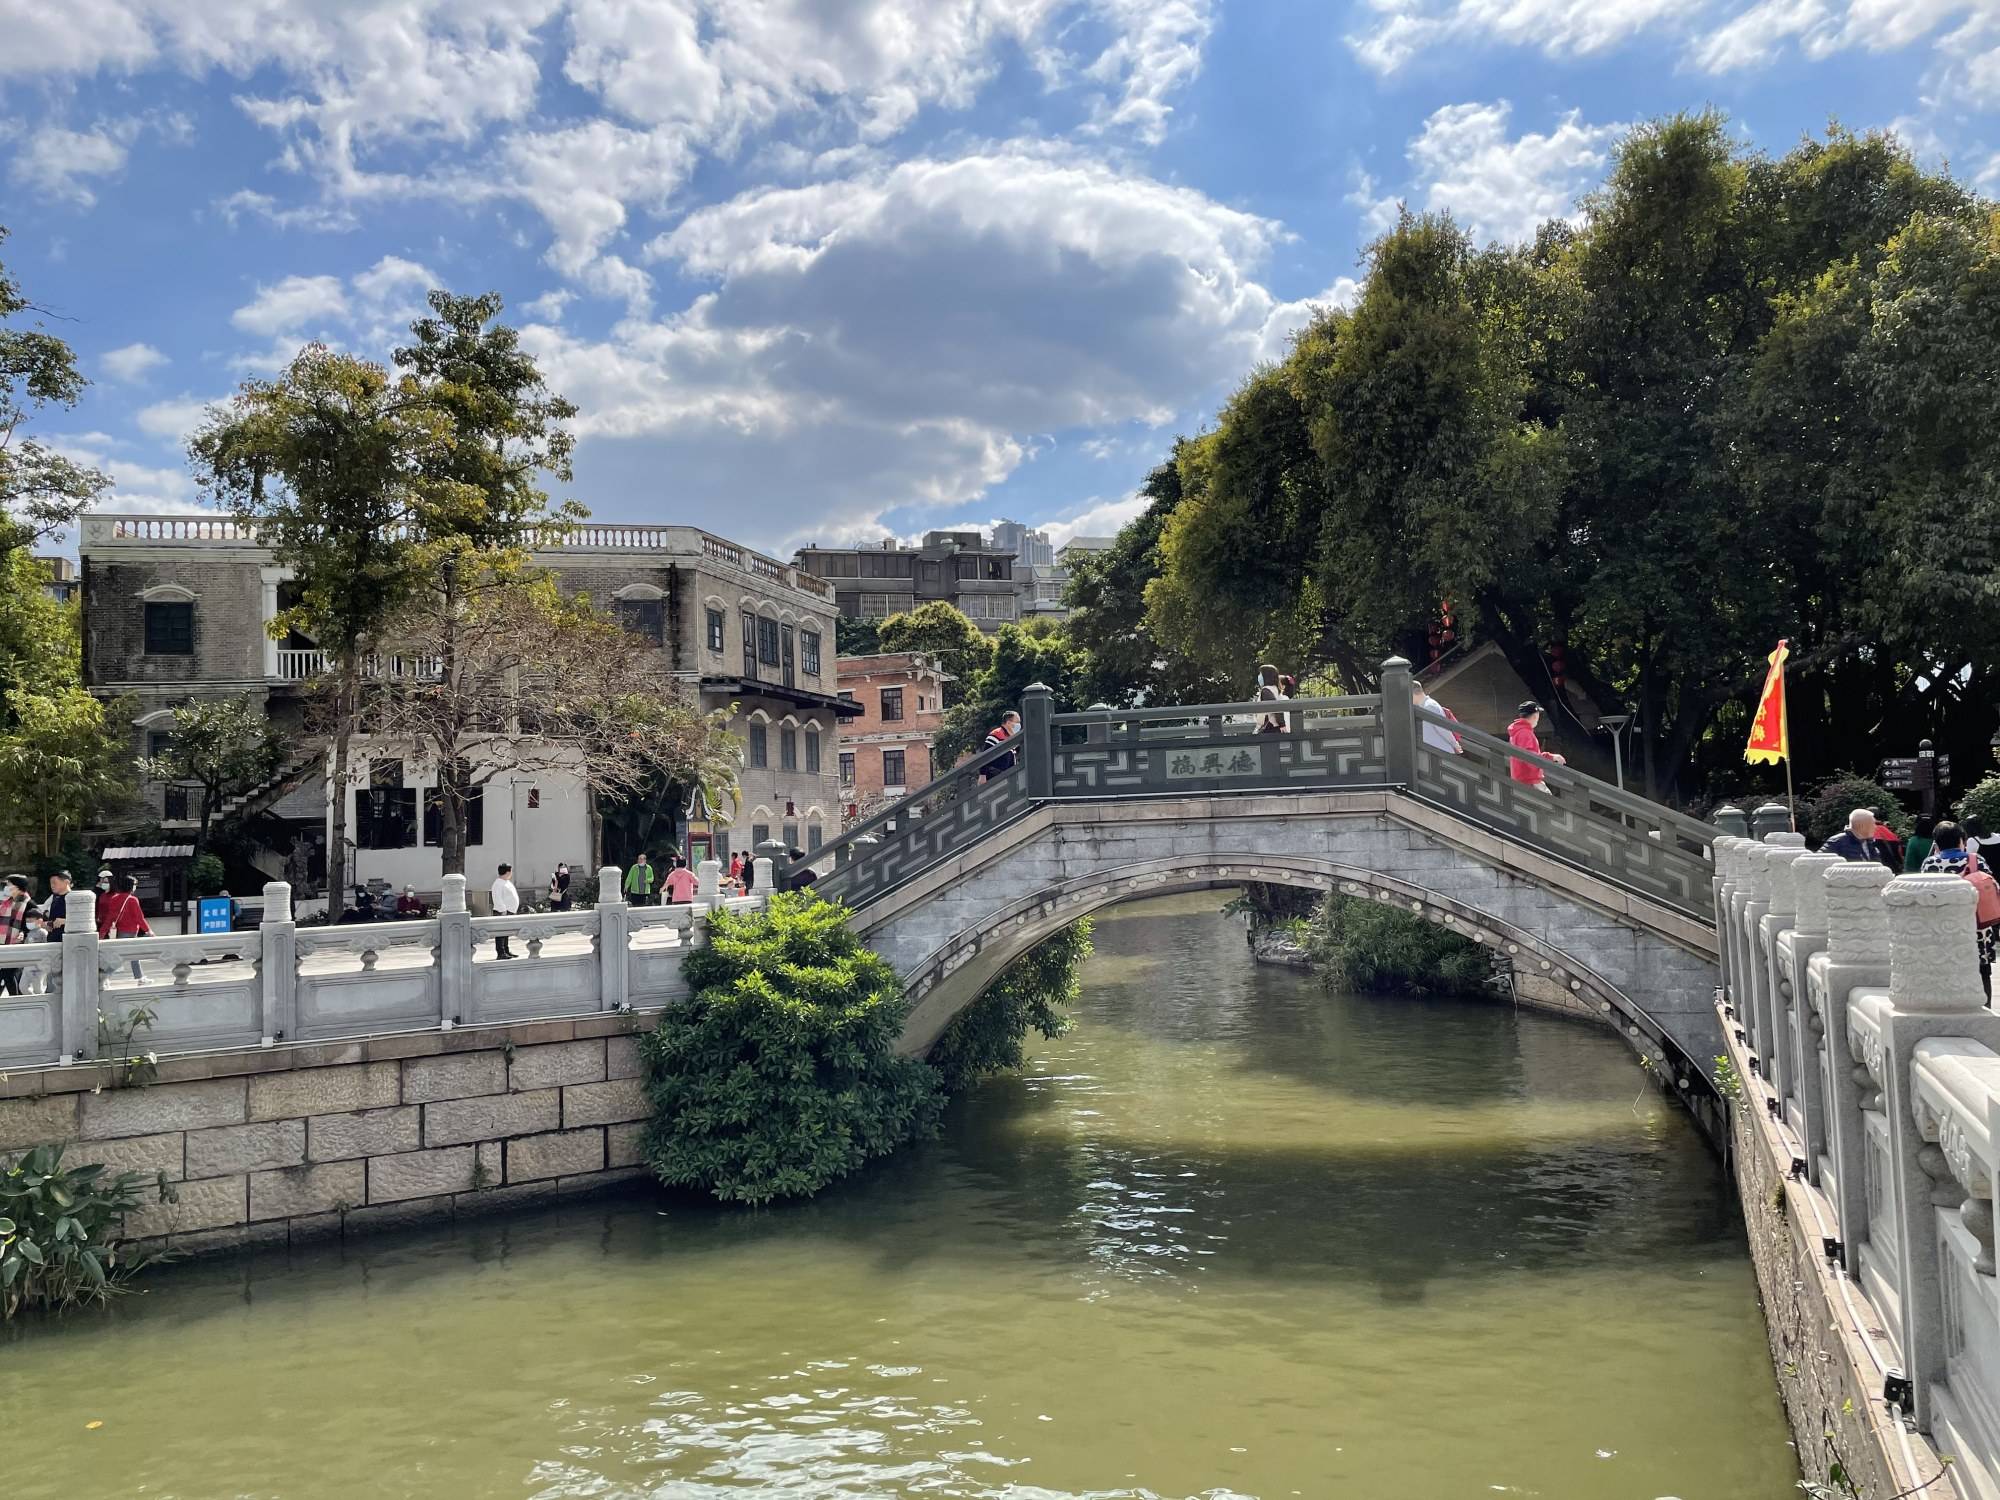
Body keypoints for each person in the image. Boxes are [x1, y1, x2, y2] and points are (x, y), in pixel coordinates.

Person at [1922, 822, 2000, 996]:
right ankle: (1984, 1006)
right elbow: (1992, 886)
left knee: (1947, 969)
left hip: (1942, 926)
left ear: (1936, 843)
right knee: (1982, 972)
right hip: (1976, 925)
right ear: (1961, 840)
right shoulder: (1975, 860)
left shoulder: (1929, 864)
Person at [97, 873, 151, 980]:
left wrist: (102, 932)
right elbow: (139, 918)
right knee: (121, 958)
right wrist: (148, 930)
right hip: (130, 932)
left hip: (119, 931)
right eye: (135, 884)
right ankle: (103, 977)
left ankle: (139, 977)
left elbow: (110, 918)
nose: (135, 887)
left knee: (131, 956)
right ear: (131, 886)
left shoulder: (114, 898)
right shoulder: (132, 899)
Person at [1506, 701, 1563, 792]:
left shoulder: (1517, 731)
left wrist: (1550, 756)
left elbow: (1530, 754)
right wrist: (1545, 763)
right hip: (1530, 781)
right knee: (1549, 804)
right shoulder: (1525, 733)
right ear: (1535, 716)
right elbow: (1531, 758)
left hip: (1520, 779)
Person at [0, 874, 36, 997]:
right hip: (5, 943)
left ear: (18, 887)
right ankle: (15, 1000)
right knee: (6, 973)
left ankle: (16, 1000)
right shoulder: (6, 902)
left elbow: (37, 921)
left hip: (18, 944)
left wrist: (24, 932)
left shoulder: (29, 904)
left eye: (9, 885)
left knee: (7, 973)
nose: (6, 887)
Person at [1412, 682, 1462, 754]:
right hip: (1436, 750)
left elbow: (1442, 728)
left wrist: (1454, 744)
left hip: (1440, 751)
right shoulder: (1426, 705)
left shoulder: (1429, 706)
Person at [981, 710, 1022, 780]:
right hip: (995, 777)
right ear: (1008, 723)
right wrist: (982, 775)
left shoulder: (1011, 738)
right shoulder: (996, 734)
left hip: (1007, 777)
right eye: (1017, 722)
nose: (1019, 725)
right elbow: (985, 756)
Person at [491, 862, 520, 959]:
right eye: (511, 871)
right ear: (507, 872)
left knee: (506, 932)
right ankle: (501, 952)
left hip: (509, 911)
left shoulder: (506, 882)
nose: (512, 873)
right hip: (502, 911)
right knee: (500, 933)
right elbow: (497, 898)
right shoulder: (498, 883)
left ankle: (506, 950)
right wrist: (503, 910)